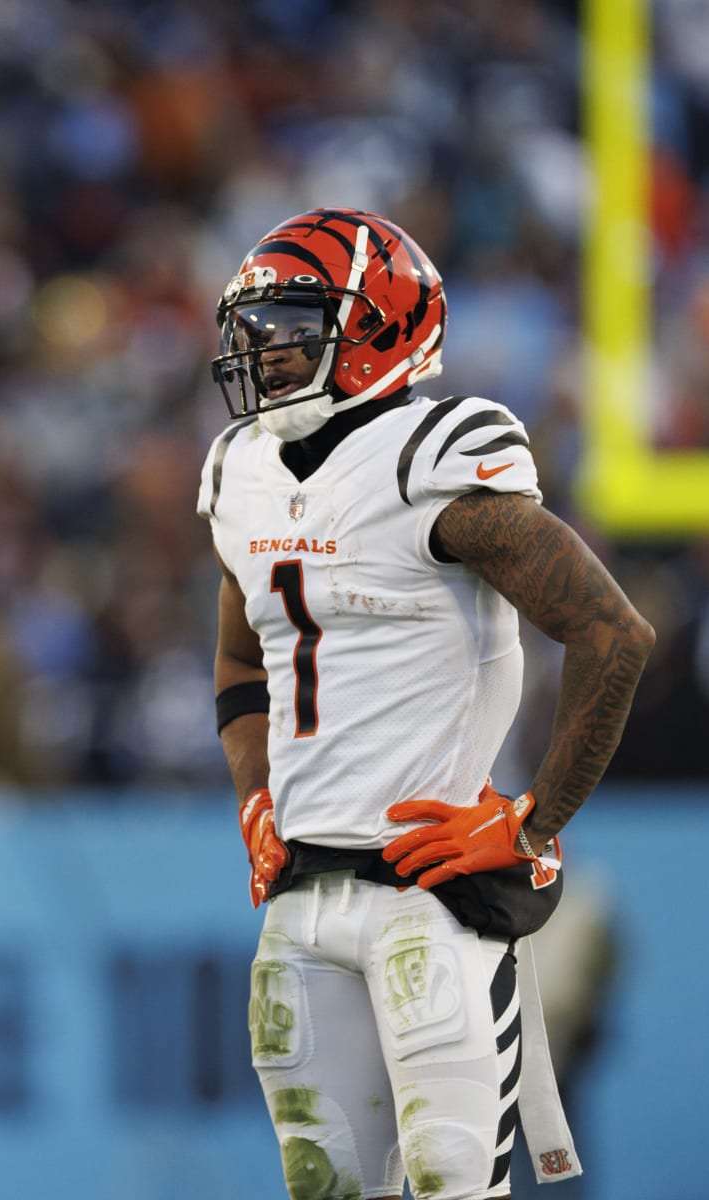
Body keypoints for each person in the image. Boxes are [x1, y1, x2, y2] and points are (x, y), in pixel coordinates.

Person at [199, 209, 655, 1200]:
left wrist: (532, 824)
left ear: (378, 328)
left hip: (430, 900)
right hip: (301, 899)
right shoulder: (242, 471)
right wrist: (254, 796)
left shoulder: (432, 459)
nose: (266, 352)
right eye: (258, 329)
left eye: (295, 326)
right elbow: (240, 663)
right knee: (323, 1188)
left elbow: (612, 633)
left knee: (457, 1184)